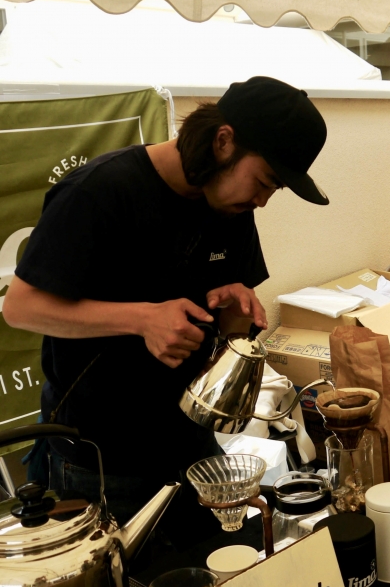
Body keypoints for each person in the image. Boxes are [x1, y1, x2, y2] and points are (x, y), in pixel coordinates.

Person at [3, 76, 329, 537]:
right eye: (264, 181)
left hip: (189, 441)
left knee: (213, 581)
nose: (262, 200)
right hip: (101, 456)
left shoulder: (230, 208)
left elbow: (230, 328)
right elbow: (20, 307)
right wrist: (142, 319)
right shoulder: (101, 191)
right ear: (223, 141)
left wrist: (236, 319)